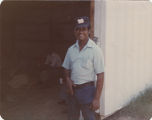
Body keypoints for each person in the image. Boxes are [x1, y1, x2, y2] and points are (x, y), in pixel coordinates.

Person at [62, 16, 104, 120]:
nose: (80, 32)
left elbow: (100, 76)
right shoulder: (71, 50)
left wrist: (97, 99)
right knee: (72, 117)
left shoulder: (95, 50)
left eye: (84, 29)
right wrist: (67, 79)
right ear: (74, 31)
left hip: (87, 92)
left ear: (89, 31)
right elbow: (65, 68)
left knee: (89, 118)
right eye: (78, 29)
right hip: (72, 92)